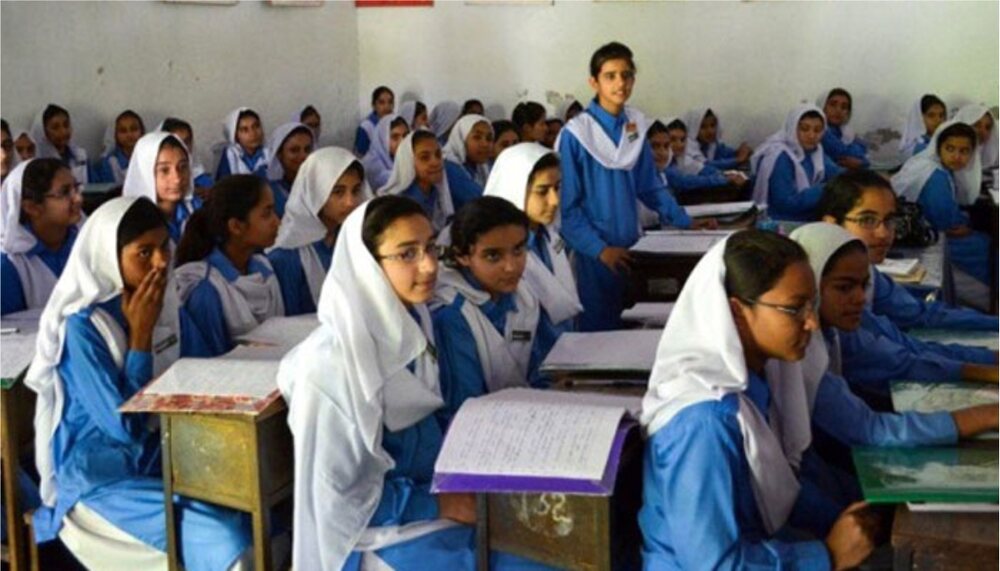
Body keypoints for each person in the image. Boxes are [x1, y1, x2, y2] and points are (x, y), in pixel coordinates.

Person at [277, 195, 553, 571]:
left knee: (556, 543)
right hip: (374, 536)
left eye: (430, 249)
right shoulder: (329, 365)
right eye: (406, 254)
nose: (428, 267)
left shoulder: (415, 326)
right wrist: (438, 503)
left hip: (437, 498)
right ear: (367, 265)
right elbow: (336, 499)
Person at [25, 197, 253, 570]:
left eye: (164, 246)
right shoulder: (83, 328)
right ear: (109, 259)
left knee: (253, 507)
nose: (162, 262)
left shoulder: (160, 301)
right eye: (144, 253)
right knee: (226, 537)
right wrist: (140, 339)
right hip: (100, 483)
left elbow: (198, 368)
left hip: (156, 458)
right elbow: (124, 427)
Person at [639, 229, 875, 570]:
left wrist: (855, 519)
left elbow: (782, 489)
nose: (811, 322)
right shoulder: (704, 423)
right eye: (794, 309)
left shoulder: (759, 383)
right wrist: (827, 556)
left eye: (812, 305)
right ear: (736, 311)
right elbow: (713, 565)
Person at [559, 42, 701, 331]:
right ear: (594, 82)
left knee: (633, 327)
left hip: (632, 247)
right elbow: (567, 209)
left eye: (627, 75)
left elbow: (649, 186)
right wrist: (600, 249)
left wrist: (686, 221)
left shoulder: (634, 126)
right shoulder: (576, 135)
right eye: (610, 75)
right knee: (598, 332)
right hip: (594, 254)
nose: (620, 83)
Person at [817, 169, 998, 333]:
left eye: (889, 220)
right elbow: (896, 356)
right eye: (867, 220)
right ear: (831, 224)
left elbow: (921, 313)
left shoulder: (868, 274)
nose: (883, 233)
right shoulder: (820, 286)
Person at [432, 196, 543, 426]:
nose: (511, 266)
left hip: (522, 418)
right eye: (493, 256)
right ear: (463, 256)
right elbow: (466, 406)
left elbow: (538, 373)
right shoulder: (452, 316)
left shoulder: (524, 296)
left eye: (518, 250)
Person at [482, 142, 581, 359]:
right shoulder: (493, 254)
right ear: (514, 189)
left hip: (563, 356)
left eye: (557, 188)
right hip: (522, 367)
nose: (554, 201)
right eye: (542, 191)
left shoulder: (551, 237)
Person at [174, 175, 284, 356]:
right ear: (236, 226)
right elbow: (212, 365)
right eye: (266, 214)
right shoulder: (206, 289)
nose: (277, 221)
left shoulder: (264, 268)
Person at [268, 147, 370, 315]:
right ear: (315, 193)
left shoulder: (356, 240)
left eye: (356, 190)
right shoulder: (287, 255)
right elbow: (287, 324)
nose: (350, 202)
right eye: (338, 192)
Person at [891, 121, 992, 286]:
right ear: (939, 149)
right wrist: (969, 223)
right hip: (932, 235)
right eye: (950, 149)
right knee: (986, 246)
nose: (956, 156)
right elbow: (948, 224)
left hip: (930, 228)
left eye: (964, 151)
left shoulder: (940, 169)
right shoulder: (936, 176)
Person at [1, 159, 82, 315]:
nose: (78, 199)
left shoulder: (85, 242)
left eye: (76, 188)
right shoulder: (9, 264)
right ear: (32, 207)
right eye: (65, 192)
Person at [750, 104, 843, 221]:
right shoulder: (779, 156)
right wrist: (827, 189)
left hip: (808, 217)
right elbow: (787, 204)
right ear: (792, 128)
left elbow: (838, 174)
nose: (811, 135)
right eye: (804, 129)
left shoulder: (815, 151)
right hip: (780, 221)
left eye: (818, 130)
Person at [121, 132, 203, 245]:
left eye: (183, 167)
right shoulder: (130, 224)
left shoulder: (197, 210)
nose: (177, 179)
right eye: (164, 170)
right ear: (145, 174)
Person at [378, 131, 454, 231]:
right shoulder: (402, 205)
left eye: (438, 155)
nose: (435, 162)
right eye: (424, 157)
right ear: (408, 163)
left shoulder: (435, 192)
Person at [93, 110, 145, 185]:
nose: (129, 135)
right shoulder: (108, 164)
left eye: (134, 129)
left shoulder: (151, 158)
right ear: (115, 135)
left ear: (142, 132)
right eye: (123, 131)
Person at [215, 107, 268, 180]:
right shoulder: (230, 155)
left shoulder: (270, 152)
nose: (253, 133)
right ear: (235, 135)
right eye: (245, 130)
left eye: (256, 126)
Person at [899, 95, 946, 160]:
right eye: (931, 115)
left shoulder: (947, 141)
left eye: (941, 115)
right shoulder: (916, 148)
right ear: (918, 118)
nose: (938, 120)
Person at [355, 86, 394, 156]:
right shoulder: (366, 127)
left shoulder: (396, 123)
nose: (387, 106)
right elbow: (361, 156)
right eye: (382, 102)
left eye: (390, 102)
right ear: (374, 105)